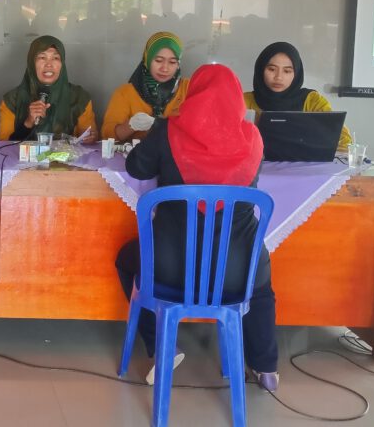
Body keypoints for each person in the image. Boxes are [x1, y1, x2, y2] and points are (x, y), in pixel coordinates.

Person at [115, 64, 279, 390]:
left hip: (169, 267)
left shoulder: (168, 130)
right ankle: (266, 368)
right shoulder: (253, 137)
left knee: (127, 259)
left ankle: (163, 346)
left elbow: (136, 167)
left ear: (192, 95)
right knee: (259, 282)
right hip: (235, 270)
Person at [244, 41, 352, 149]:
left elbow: (344, 141)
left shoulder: (312, 101)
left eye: (287, 71)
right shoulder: (243, 101)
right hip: (255, 160)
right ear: (260, 69)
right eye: (272, 69)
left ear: (296, 74)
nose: (278, 77)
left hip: (305, 160)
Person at [0, 35, 98, 142]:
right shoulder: (12, 100)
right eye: (42, 57)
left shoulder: (79, 97)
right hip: (22, 154)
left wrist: (90, 138)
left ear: (62, 64)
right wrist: (28, 122)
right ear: (31, 63)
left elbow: (89, 138)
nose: (49, 64)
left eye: (55, 58)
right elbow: (3, 146)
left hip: (67, 154)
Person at [102, 32, 190, 143]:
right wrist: (131, 125)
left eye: (172, 62)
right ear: (147, 60)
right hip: (136, 153)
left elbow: (201, 131)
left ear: (178, 64)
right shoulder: (125, 93)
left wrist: (164, 125)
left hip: (177, 153)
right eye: (158, 60)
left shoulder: (189, 88)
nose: (165, 68)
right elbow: (107, 136)